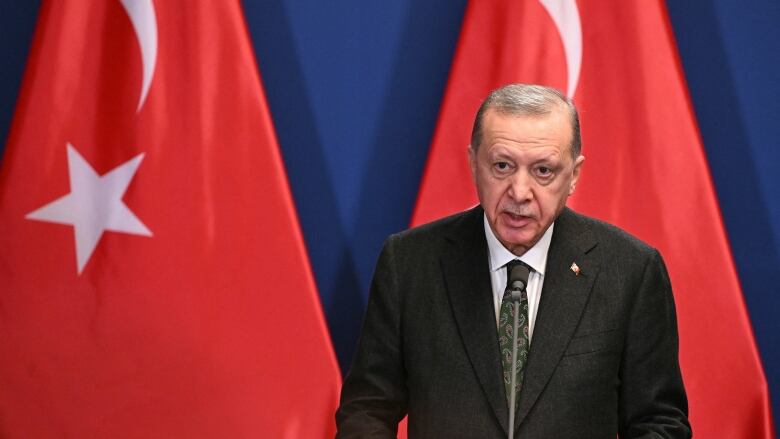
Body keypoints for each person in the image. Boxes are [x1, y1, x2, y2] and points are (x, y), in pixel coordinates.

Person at [335, 84, 691, 438]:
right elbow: (367, 409)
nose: (520, 192)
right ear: (474, 163)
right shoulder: (410, 263)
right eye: (502, 166)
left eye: (543, 171)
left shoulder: (630, 271)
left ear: (574, 176)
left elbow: (658, 423)